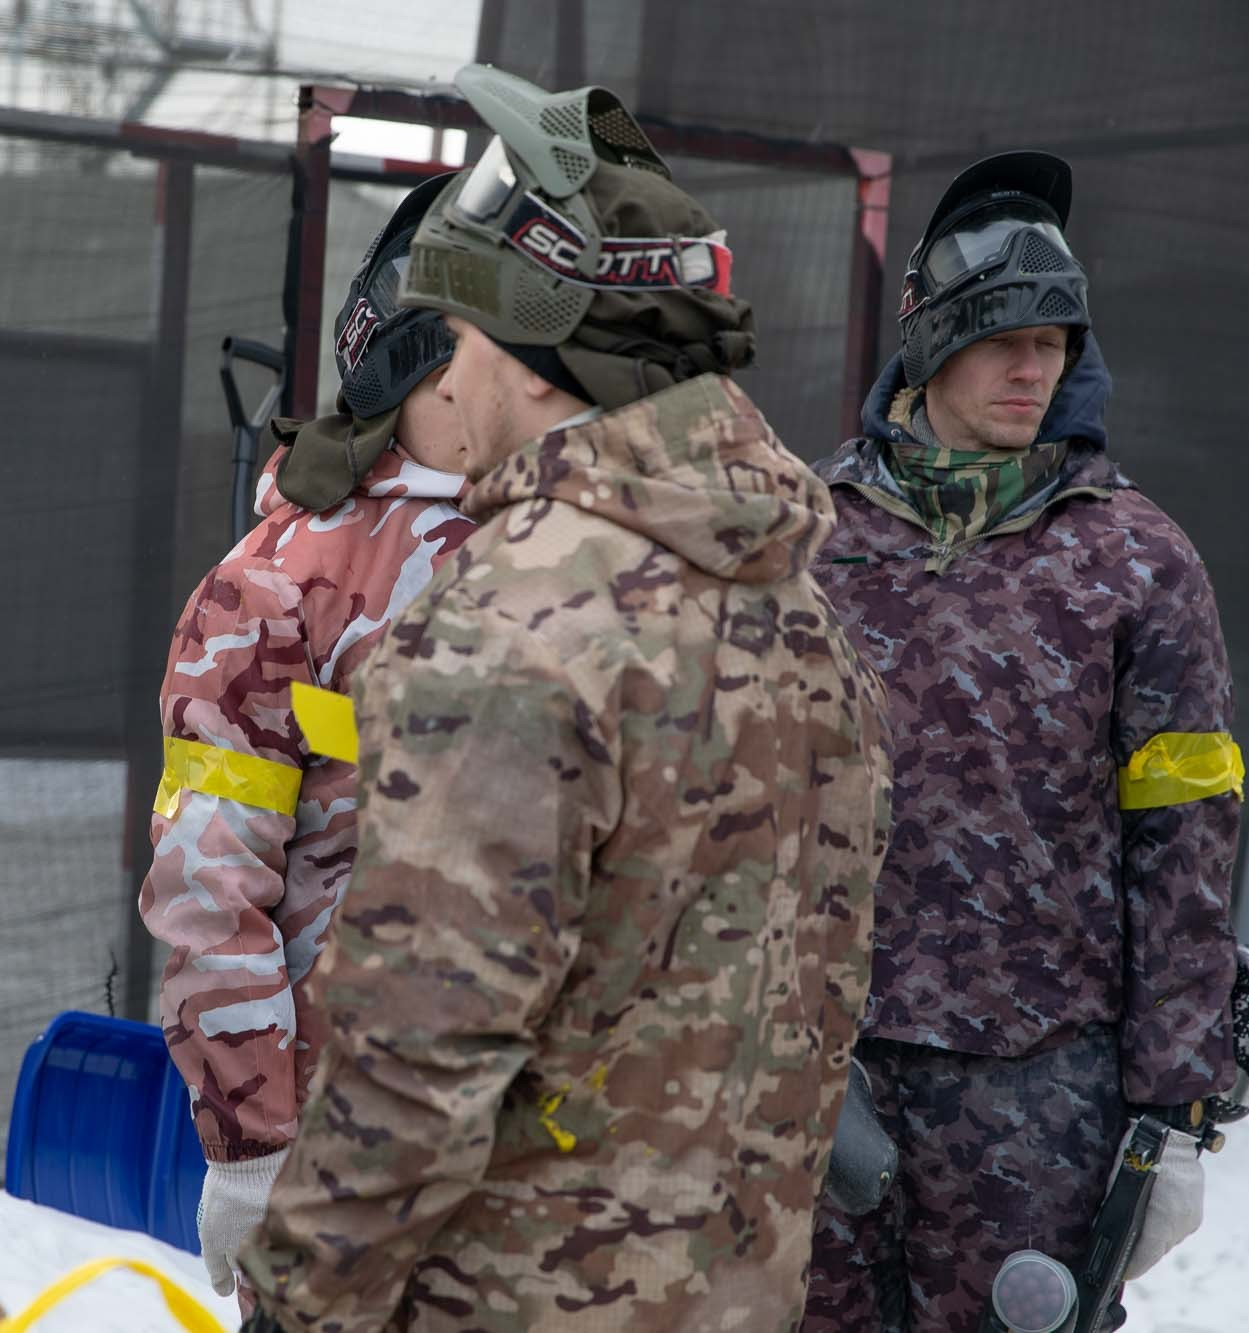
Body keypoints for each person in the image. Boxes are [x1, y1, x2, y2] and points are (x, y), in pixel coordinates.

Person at [237, 66, 892, 1332]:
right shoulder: (801, 615)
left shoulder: (512, 623)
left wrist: (295, 1305)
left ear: (540, 365)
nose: (451, 379)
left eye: (465, 341)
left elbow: (417, 1057)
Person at [802, 152, 1242, 1331]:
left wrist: (1173, 1109)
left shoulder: (1136, 560)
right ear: (931, 340)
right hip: (810, 1065)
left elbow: (1184, 847)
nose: (1031, 367)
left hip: (1033, 1090)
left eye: (1053, 341)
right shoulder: (801, 538)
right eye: (1002, 338)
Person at [138, 175, 475, 1299]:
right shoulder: (282, 582)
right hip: (343, 1153)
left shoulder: (580, 551)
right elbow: (207, 884)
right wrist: (251, 1140)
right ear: (417, 355)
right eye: (485, 336)